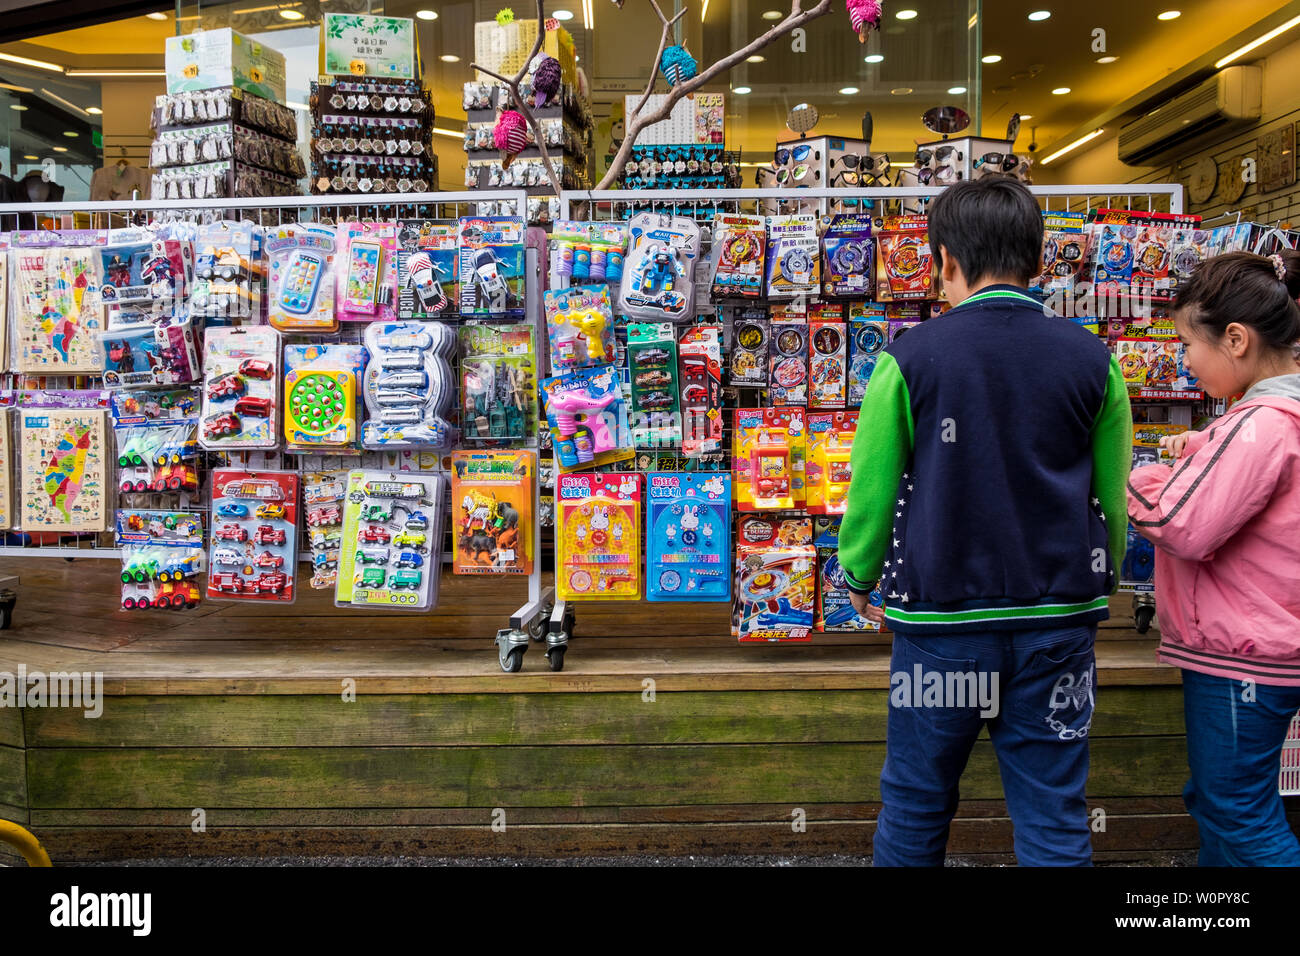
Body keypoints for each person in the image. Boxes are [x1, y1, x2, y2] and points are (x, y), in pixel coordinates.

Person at [838, 176, 1133, 866]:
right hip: (1056, 624)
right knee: (1054, 815)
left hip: (943, 633)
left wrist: (858, 572)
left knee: (916, 804)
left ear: (942, 260)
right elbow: (1112, 500)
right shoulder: (1095, 359)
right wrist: (1104, 575)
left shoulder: (907, 358)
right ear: (1038, 258)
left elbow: (872, 491)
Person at [1127, 250, 1300, 866]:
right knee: (1220, 801)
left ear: (1235, 339)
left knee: (1237, 809)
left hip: (1242, 655)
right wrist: (1200, 447)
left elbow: (1184, 524)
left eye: (1186, 346)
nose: (1184, 363)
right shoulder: (1274, 418)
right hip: (1261, 646)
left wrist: (1123, 479)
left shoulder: (1260, 423)